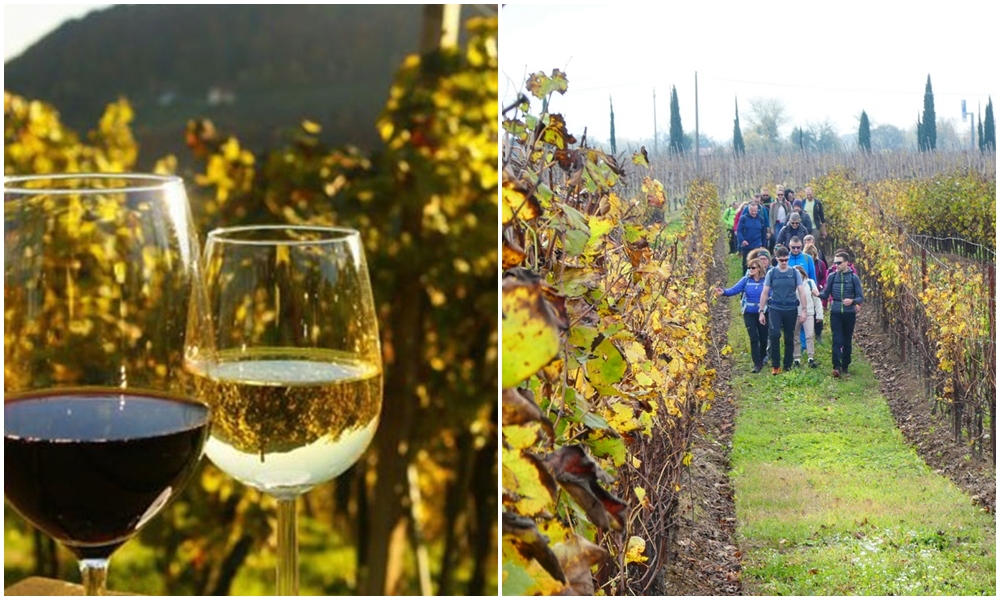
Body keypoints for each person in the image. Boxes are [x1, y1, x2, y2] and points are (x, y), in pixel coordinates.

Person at [759, 246, 810, 375]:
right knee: (775, 334)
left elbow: (801, 292)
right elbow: (765, 293)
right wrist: (761, 311)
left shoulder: (794, 273)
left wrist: (804, 310)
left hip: (790, 308)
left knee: (789, 336)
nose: (784, 263)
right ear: (777, 259)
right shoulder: (772, 273)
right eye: (781, 260)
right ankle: (776, 365)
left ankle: (788, 364)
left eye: (786, 260)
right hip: (775, 308)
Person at [715, 259, 769, 373]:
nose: (750, 270)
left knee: (763, 338)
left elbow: (772, 293)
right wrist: (723, 292)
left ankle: (763, 355)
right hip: (749, 312)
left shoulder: (766, 281)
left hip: (763, 312)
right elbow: (734, 289)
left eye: (753, 268)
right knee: (754, 338)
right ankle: (757, 364)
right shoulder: (746, 280)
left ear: (759, 268)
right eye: (749, 268)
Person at [818, 251, 864, 378]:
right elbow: (826, 293)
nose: (836, 265)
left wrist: (853, 301)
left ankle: (845, 366)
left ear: (846, 263)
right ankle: (836, 366)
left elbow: (860, 296)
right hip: (836, 312)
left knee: (847, 340)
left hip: (849, 314)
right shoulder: (832, 277)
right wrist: (817, 294)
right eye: (835, 263)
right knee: (837, 340)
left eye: (839, 263)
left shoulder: (854, 278)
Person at [791, 265, 821, 368]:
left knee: (809, 335)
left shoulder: (810, 283)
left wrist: (819, 314)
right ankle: (796, 358)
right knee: (795, 336)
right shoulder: (791, 284)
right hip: (795, 313)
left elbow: (817, 299)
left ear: (803, 274)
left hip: (808, 312)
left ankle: (810, 357)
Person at [803, 243, 827, 344]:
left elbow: (824, 278)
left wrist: (819, 287)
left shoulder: (820, 264)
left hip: (816, 291)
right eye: (809, 254)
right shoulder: (803, 263)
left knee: (817, 310)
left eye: (812, 254)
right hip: (804, 290)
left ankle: (818, 333)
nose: (811, 256)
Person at [737, 201, 768, 272]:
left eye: (755, 211)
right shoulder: (743, 218)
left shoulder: (760, 219)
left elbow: (763, 233)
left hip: (757, 246)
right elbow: (739, 231)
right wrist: (742, 240)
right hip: (747, 245)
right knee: (746, 264)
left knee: (757, 264)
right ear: (748, 210)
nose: (753, 213)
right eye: (752, 211)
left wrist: (763, 245)